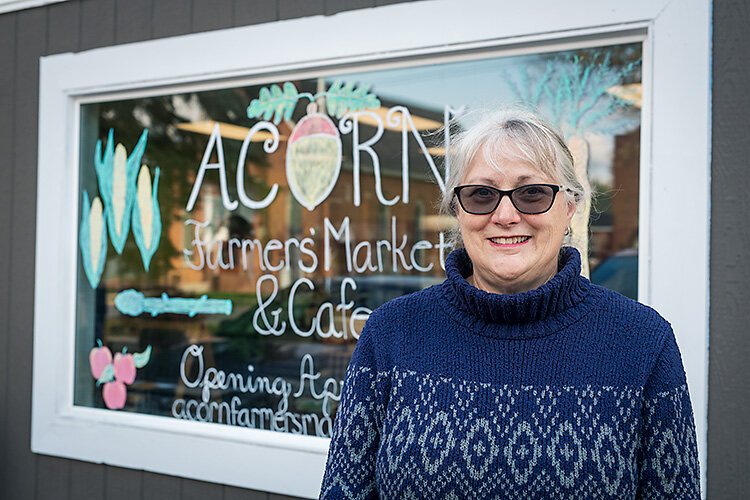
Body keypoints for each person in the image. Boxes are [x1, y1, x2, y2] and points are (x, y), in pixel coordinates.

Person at [320, 109, 700, 499]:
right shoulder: (392, 332)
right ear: (457, 209)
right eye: (481, 194)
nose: (505, 215)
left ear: (569, 207)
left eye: (532, 193)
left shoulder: (641, 341)